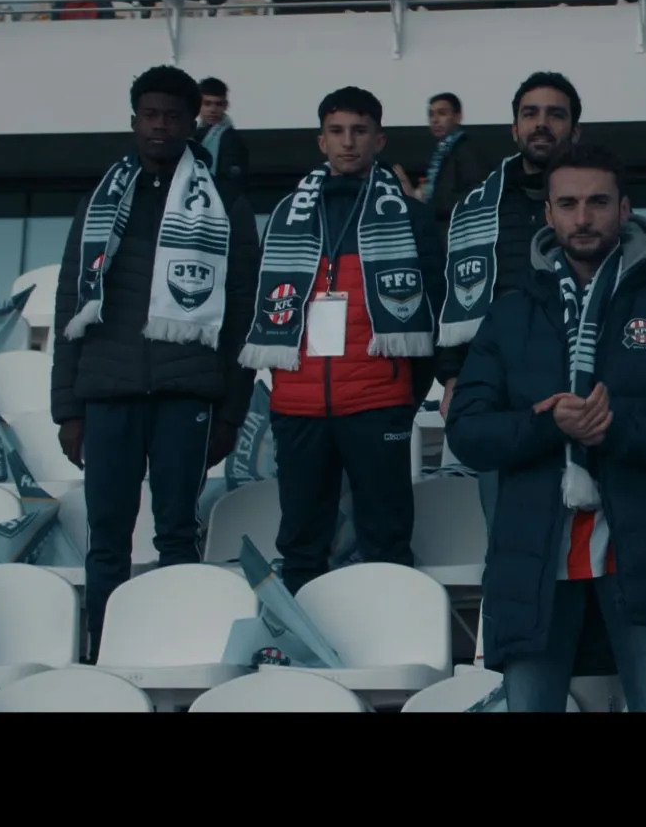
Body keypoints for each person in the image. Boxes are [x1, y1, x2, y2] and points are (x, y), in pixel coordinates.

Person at [446, 141, 646, 712]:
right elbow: (468, 432)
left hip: (642, 553)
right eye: (568, 203)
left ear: (625, 210)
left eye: (598, 202)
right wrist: (547, 424)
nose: (582, 217)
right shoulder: (511, 311)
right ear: (547, 214)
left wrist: (615, 428)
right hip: (535, 555)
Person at [50, 65, 261, 659]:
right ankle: (104, 657)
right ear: (134, 120)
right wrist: (68, 407)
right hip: (107, 393)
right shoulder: (100, 201)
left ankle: (175, 653)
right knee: (107, 541)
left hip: (187, 395)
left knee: (176, 535)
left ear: (193, 123)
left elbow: (243, 310)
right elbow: (72, 300)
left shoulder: (225, 200)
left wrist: (230, 412)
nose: (160, 126)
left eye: (173, 116)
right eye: (150, 115)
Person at [238, 86, 446, 595]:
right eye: (337, 132)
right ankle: (306, 653)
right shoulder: (288, 214)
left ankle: (390, 646)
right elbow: (265, 308)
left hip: (378, 404)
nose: (348, 142)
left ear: (379, 139)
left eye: (359, 131)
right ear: (321, 141)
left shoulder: (412, 216)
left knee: (387, 541)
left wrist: (399, 397)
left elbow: (433, 314)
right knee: (301, 543)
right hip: (298, 406)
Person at [435, 72, 581, 518]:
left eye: (555, 114)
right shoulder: (477, 207)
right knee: (506, 531)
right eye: (530, 114)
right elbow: (452, 292)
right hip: (500, 392)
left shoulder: (599, 201)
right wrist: (452, 376)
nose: (542, 124)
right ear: (514, 128)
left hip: (583, 383)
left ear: (575, 131)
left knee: (589, 541)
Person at [395, 92, 501, 220]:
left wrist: (423, 203)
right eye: (431, 114)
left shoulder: (467, 151)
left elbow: (474, 197)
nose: (434, 120)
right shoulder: (440, 151)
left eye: (442, 113)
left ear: (458, 117)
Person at [195, 77, 250, 199]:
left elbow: (232, 183)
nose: (213, 110)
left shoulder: (231, 139)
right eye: (207, 104)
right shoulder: (193, 134)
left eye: (218, 104)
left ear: (225, 106)